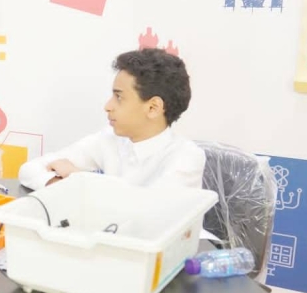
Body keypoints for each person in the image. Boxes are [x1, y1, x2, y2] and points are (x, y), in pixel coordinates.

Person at [19, 48, 204, 190]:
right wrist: (61, 184)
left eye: (119, 97)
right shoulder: (110, 139)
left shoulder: (187, 157)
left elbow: (147, 212)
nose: (107, 106)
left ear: (153, 108)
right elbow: (29, 170)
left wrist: (79, 179)